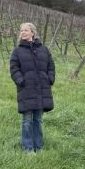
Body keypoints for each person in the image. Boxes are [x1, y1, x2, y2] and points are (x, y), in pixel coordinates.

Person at [10, 22, 55, 153]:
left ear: (33, 32)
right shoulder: (17, 51)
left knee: (38, 120)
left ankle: (38, 147)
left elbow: (51, 66)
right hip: (26, 89)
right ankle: (28, 148)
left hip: (41, 89)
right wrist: (21, 81)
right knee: (27, 120)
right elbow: (14, 69)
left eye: (25, 30)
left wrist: (49, 79)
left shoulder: (44, 50)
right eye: (21, 30)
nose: (22, 32)